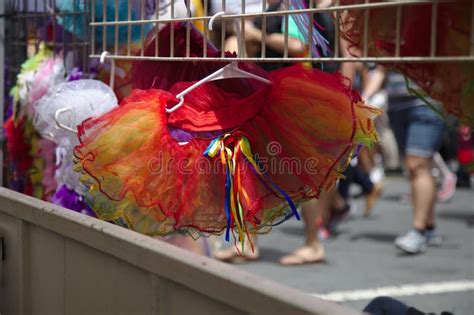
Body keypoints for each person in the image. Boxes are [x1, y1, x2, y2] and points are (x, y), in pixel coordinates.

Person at [387, 71, 446, 254]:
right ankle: (430, 228)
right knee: (417, 168)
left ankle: (418, 231)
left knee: (417, 164)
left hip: (426, 100)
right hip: (396, 103)